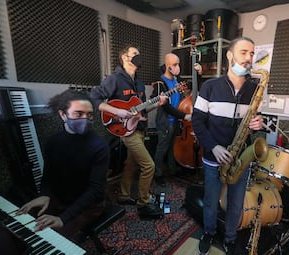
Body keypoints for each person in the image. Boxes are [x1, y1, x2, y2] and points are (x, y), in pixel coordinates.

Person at [192, 37, 265, 255]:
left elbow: (256, 122)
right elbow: (197, 121)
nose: (249, 58)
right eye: (244, 52)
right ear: (230, 55)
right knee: (211, 201)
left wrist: (258, 124)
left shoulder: (255, 89)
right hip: (214, 157)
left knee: (236, 204)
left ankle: (230, 240)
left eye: (252, 53)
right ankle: (209, 233)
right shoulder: (210, 87)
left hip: (240, 158)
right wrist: (213, 146)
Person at [16, 89, 110, 238]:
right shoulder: (53, 142)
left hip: (89, 205)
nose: (85, 119)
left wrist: (63, 218)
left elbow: (96, 190)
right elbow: (48, 175)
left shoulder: (99, 146)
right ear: (63, 115)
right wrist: (45, 195)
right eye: (78, 114)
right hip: (59, 198)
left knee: (49, 237)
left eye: (89, 115)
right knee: (23, 223)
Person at [90, 44, 166, 218]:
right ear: (125, 57)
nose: (139, 56)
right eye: (135, 54)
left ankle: (124, 196)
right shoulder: (115, 79)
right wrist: (117, 111)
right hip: (125, 130)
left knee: (131, 164)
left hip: (139, 128)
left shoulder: (139, 83)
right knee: (149, 166)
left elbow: (142, 110)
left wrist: (157, 103)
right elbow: (94, 98)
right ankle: (144, 204)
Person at [152, 53, 202, 186]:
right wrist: (184, 116)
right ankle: (158, 174)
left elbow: (192, 85)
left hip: (176, 122)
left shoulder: (177, 80)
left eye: (178, 64)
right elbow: (166, 107)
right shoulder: (160, 84)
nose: (177, 67)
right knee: (161, 149)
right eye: (174, 65)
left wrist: (199, 74)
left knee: (172, 147)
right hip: (165, 122)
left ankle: (172, 170)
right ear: (168, 66)